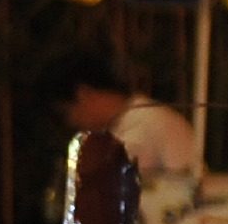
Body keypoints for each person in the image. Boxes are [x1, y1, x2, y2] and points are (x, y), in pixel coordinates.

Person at [41, 52, 200, 179]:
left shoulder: (155, 121)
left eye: (67, 114)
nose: (71, 123)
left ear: (84, 94)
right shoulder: (110, 133)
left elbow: (190, 185)